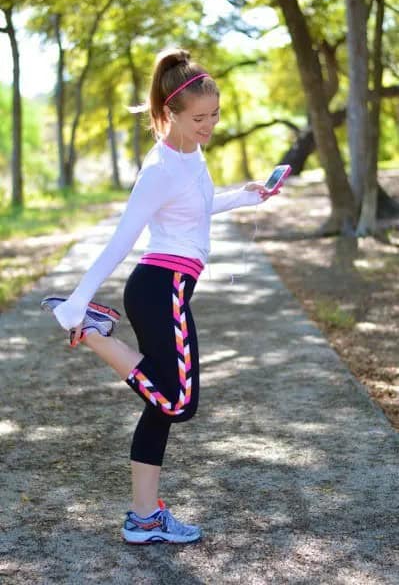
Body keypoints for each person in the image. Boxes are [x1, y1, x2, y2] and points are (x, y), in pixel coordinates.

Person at [41, 48, 277, 545]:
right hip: (159, 288)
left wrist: (245, 195)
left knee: (165, 405)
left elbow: (196, 208)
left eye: (214, 115)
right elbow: (123, 237)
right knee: (179, 401)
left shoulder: (191, 153)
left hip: (167, 289)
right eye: (198, 118)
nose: (208, 126)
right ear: (171, 113)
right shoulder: (159, 169)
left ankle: (144, 519)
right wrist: (77, 301)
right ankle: (96, 334)